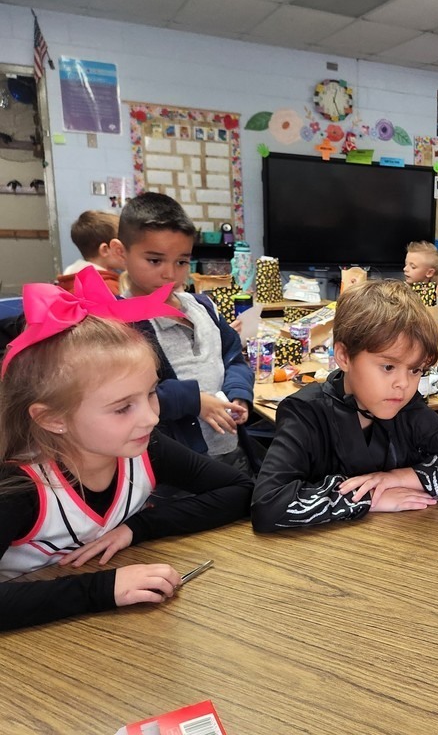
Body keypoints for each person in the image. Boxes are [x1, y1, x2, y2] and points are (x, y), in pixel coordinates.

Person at [0, 270, 253, 630]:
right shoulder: (19, 488)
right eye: (122, 408)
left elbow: (242, 491)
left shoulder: (144, 448)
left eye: (151, 392)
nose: (151, 418)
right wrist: (105, 589)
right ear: (53, 418)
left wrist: (138, 527)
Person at [251, 280, 438, 532]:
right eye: (388, 367)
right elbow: (268, 505)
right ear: (344, 357)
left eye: (415, 370)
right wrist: (368, 497)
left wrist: (396, 478)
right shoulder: (306, 413)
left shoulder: (408, 409)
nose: (403, 384)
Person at [111, 192, 256, 472]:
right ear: (121, 252)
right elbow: (124, 397)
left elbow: (233, 357)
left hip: (230, 449)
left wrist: (238, 393)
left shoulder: (203, 305)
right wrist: (194, 401)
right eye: (155, 260)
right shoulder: (118, 322)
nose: (171, 274)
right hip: (175, 466)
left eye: (181, 262)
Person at [57, 210, 124, 294]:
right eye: (120, 247)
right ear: (105, 250)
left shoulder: (68, 280)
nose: (127, 252)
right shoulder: (109, 288)